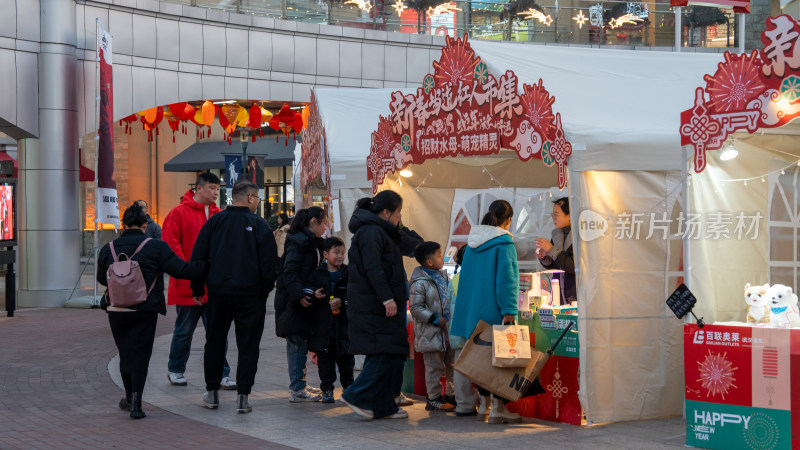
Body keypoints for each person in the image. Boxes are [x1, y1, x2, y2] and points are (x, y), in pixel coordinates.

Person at [97, 203, 207, 419]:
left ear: (123, 224)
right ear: (145, 224)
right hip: (145, 308)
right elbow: (181, 270)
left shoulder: (107, 249)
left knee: (125, 352)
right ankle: (137, 404)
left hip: (117, 309)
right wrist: (204, 264)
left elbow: (102, 278)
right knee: (141, 355)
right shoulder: (156, 246)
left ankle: (128, 397)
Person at [191, 181, 279, 413]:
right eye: (258, 198)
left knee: (215, 343)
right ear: (250, 198)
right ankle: (243, 397)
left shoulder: (215, 222)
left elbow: (198, 258)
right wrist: (264, 290)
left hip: (219, 294)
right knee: (248, 345)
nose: (258, 202)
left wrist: (198, 288)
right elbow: (269, 264)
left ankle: (212, 393)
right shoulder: (259, 225)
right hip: (250, 296)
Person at [341, 190, 422, 420]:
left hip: (387, 302)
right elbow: (373, 268)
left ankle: (384, 404)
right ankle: (356, 395)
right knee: (384, 352)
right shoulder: (370, 232)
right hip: (374, 304)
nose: (399, 217)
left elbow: (417, 246)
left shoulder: (386, 232)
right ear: (386, 212)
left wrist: (401, 226)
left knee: (394, 351)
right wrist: (386, 298)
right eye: (398, 213)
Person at [450, 199, 522, 424]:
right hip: (494, 311)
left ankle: (484, 405)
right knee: (499, 359)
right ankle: (499, 408)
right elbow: (507, 279)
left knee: (480, 359)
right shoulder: (504, 244)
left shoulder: (471, 244)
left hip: (473, 311)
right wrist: (509, 309)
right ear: (508, 221)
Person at [162, 172, 235, 389]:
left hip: (213, 287)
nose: (215, 192)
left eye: (217, 188)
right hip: (187, 286)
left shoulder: (219, 215)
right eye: (212, 188)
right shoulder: (177, 214)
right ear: (198, 189)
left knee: (217, 332)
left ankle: (222, 374)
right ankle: (175, 369)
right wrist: (189, 273)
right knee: (184, 331)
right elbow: (171, 248)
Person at [274, 206, 328, 402]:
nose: (325, 227)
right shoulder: (299, 242)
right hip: (292, 302)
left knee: (300, 342)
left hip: (302, 298)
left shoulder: (312, 241)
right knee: (296, 343)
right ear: (313, 222)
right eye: (323, 223)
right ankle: (297, 388)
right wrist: (299, 295)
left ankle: (300, 383)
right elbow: (289, 272)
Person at [306, 237, 354, 403]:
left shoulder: (348, 273)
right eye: (336, 252)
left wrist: (343, 300)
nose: (340, 256)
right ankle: (326, 389)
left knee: (346, 361)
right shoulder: (317, 274)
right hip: (323, 327)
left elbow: (354, 294)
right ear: (326, 254)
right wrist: (315, 294)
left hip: (343, 327)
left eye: (342, 252)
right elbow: (309, 290)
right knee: (325, 363)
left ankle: (349, 389)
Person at [409, 241, 456, 412]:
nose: (442, 257)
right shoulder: (419, 282)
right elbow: (415, 308)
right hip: (430, 332)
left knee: (452, 364)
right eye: (438, 255)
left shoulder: (443, 276)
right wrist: (435, 319)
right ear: (429, 262)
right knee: (434, 367)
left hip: (447, 331)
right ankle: (434, 398)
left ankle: (452, 396)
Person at [446, 244, 478, 417]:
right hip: (475, 330)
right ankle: (488, 404)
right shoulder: (478, 278)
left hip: (457, 329)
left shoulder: (455, 279)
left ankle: (464, 405)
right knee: (480, 366)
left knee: (460, 367)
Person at [536, 197, 576, 303]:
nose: (553, 218)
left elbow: (572, 266)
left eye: (556, 215)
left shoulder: (580, 235)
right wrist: (545, 257)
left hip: (575, 291)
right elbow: (557, 264)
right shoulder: (557, 234)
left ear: (570, 215)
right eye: (552, 214)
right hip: (558, 291)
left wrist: (551, 249)